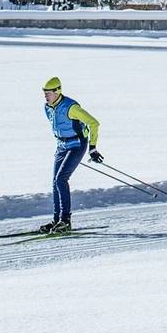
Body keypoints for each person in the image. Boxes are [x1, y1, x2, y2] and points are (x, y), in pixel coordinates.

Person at [41, 76, 102, 233]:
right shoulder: (47, 107)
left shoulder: (71, 107)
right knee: (55, 182)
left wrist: (93, 148)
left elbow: (94, 123)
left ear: (57, 91)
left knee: (61, 179)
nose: (46, 96)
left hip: (76, 145)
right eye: (44, 93)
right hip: (62, 146)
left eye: (48, 93)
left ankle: (66, 221)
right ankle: (56, 221)